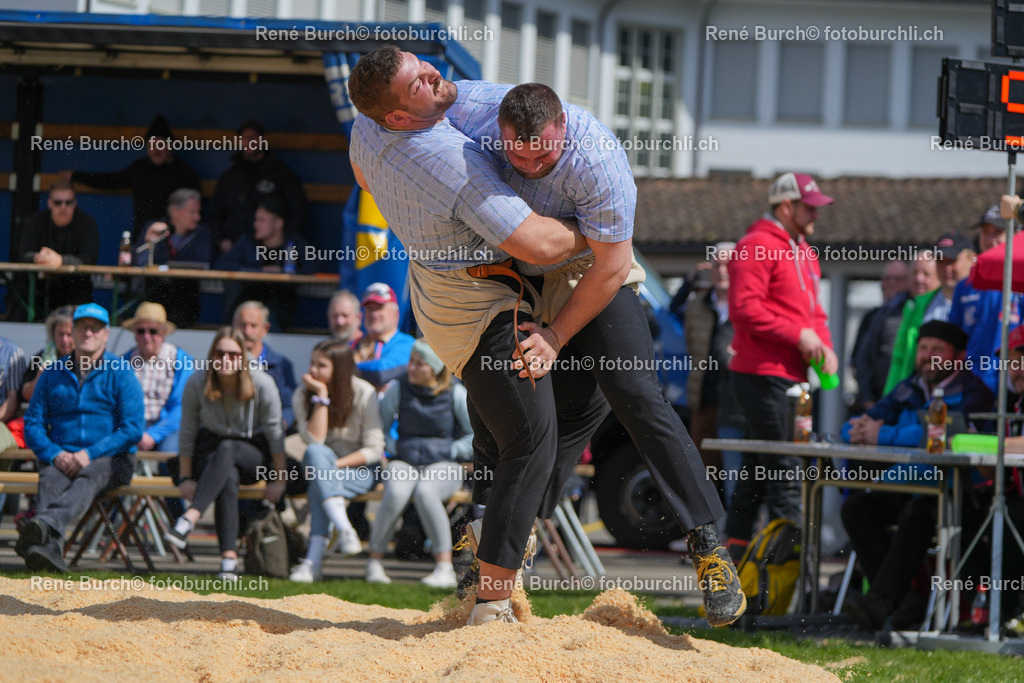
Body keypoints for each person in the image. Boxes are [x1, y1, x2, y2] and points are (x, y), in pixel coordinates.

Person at [348, 47, 590, 626]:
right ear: (398, 116)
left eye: (419, 63)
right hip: (478, 308)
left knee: (508, 438)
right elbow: (539, 245)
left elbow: (361, 175)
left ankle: (490, 528)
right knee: (529, 443)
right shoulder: (445, 160)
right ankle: (491, 600)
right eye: (416, 84)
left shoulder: (366, 125)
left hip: (444, 300)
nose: (431, 74)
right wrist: (601, 227)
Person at [841, 320, 996, 630]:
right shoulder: (908, 386)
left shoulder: (974, 391)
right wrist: (858, 430)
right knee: (856, 509)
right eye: (923, 348)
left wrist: (884, 435)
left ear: (959, 356)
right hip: (912, 485)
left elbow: (945, 434)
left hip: (959, 496)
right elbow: (858, 424)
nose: (928, 356)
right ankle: (907, 602)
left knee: (917, 513)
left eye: (938, 349)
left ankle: (882, 601)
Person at [723, 172, 838, 559]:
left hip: (787, 377)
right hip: (761, 374)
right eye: (810, 207)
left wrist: (825, 344)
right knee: (784, 472)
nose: (816, 215)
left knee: (757, 475)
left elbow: (814, 313)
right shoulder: (755, 245)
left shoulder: (803, 250)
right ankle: (787, 572)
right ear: (786, 206)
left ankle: (736, 570)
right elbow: (744, 308)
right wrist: (799, 335)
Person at [164, 327, 299, 579]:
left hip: (255, 454)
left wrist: (280, 480)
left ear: (243, 357)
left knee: (227, 449)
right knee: (227, 475)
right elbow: (187, 432)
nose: (226, 359)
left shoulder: (262, 382)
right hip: (212, 453)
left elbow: (275, 437)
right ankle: (228, 561)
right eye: (220, 353)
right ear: (212, 354)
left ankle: (189, 517)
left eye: (234, 354)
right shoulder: (198, 381)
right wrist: (185, 477)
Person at [18, 303, 144, 573]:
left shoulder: (121, 372)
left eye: (95, 328)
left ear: (106, 334)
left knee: (90, 473)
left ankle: (44, 524)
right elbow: (33, 423)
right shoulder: (52, 373)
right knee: (50, 478)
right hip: (62, 457)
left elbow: (133, 428)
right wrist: (54, 454)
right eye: (83, 327)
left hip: (111, 460)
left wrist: (90, 453)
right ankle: (48, 553)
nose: (88, 333)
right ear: (73, 332)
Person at [366, 339, 473, 587]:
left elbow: (474, 436)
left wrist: (450, 449)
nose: (411, 368)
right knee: (395, 491)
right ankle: (374, 562)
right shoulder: (398, 388)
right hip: (405, 461)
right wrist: (394, 447)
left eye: (419, 363)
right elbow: (380, 426)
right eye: (411, 361)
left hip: (445, 463)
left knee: (426, 492)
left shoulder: (456, 393)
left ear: (435, 368)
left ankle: (444, 567)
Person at [287, 339, 386, 582]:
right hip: (323, 465)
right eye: (312, 363)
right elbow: (315, 440)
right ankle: (345, 529)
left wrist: (330, 469)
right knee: (315, 455)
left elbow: (375, 449)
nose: (312, 370)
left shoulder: (364, 392)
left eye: (321, 365)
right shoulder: (303, 394)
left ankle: (312, 562)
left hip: (362, 469)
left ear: (340, 368)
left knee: (320, 480)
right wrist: (321, 397)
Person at [682, 242, 744, 510]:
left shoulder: (747, 305)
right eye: (717, 264)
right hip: (704, 400)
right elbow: (684, 333)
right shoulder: (698, 305)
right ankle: (705, 530)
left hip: (738, 405)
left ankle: (736, 530)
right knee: (701, 476)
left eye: (728, 264)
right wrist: (689, 281)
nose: (722, 270)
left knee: (735, 476)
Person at [67, 115, 201, 236]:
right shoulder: (140, 168)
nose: (156, 150)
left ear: (170, 145)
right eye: (151, 145)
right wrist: (77, 176)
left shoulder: (185, 174)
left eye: (160, 144)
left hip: (174, 239)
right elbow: (111, 180)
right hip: (142, 237)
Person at [884, 231, 976, 393]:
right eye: (940, 260)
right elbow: (899, 359)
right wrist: (890, 397)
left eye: (952, 260)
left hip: (967, 392)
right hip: (921, 392)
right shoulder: (918, 305)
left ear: (972, 259)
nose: (946, 267)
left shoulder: (984, 300)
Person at [948, 206, 1024, 394]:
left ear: (1016, 234)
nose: (991, 239)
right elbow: (954, 341)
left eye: (998, 232)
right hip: (971, 386)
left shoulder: (1020, 280)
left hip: (1013, 383)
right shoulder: (966, 284)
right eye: (985, 232)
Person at [209, 119, 308, 254]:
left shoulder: (283, 175)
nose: (249, 141)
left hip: (271, 251)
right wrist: (221, 240)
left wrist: (282, 243)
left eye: (253, 137)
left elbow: (299, 213)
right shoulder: (229, 177)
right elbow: (215, 214)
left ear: (263, 139)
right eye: (244, 138)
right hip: (234, 249)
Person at [220, 197, 314, 332]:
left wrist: (283, 273)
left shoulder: (294, 242)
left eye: (262, 220)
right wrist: (259, 271)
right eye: (256, 219)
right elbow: (223, 264)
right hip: (248, 298)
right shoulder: (247, 241)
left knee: (271, 315)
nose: (255, 224)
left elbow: (315, 267)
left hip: (280, 304)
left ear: (278, 223)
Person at [120, 302, 194, 455]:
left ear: (163, 332)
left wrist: (154, 434)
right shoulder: (124, 362)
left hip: (169, 428)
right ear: (134, 333)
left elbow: (183, 405)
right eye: (141, 331)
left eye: (153, 331)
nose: (146, 337)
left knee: (170, 453)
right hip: (133, 428)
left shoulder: (181, 360)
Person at [17, 180, 99, 316]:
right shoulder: (35, 221)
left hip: (75, 291)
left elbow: (88, 258)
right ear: (49, 203)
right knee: (20, 296)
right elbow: (24, 254)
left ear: (75, 203)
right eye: (58, 202)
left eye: (68, 202)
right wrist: (39, 258)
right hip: (37, 291)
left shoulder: (87, 223)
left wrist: (60, 260)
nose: (63, 207)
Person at [134, 187, 213, 328]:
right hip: (154, 294)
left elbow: (202, 263)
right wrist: (149, 242)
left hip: (185, 299)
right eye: (192, 212)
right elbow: (137, 262)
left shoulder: (202, 233)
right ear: (174, 212)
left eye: (198, 212)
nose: (198, 217)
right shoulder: (154, 228)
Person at [850, 260, 910, 413]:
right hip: (872, 402)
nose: (892, 283)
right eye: (888, 279)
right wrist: (868, 400)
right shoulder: (871, 317)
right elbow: (859, 360)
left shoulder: (913, 313)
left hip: (901, 401)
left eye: (898, 279)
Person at [232, 301, 297, 431]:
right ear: (234, 326)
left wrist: (278, 427)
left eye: (253, 325)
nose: (247, 331)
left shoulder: (281, 365)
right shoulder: (221, 362)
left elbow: (289, 406)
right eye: (243, 325)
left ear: (265, 329)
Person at [352, 283, 415, 390]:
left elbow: (381, 373)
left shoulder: (406, 343)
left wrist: (348, 367)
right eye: (370, 309)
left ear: (396, 314)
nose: (374, 314)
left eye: (379, 308)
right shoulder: (355, 343)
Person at [19, 306, 75, 403]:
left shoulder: (87, 359)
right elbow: (22, 396)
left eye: (69, 334)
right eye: (60, 334)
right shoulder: (40, 358)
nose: (64, 340)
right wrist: (39, 378)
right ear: (53, 334)